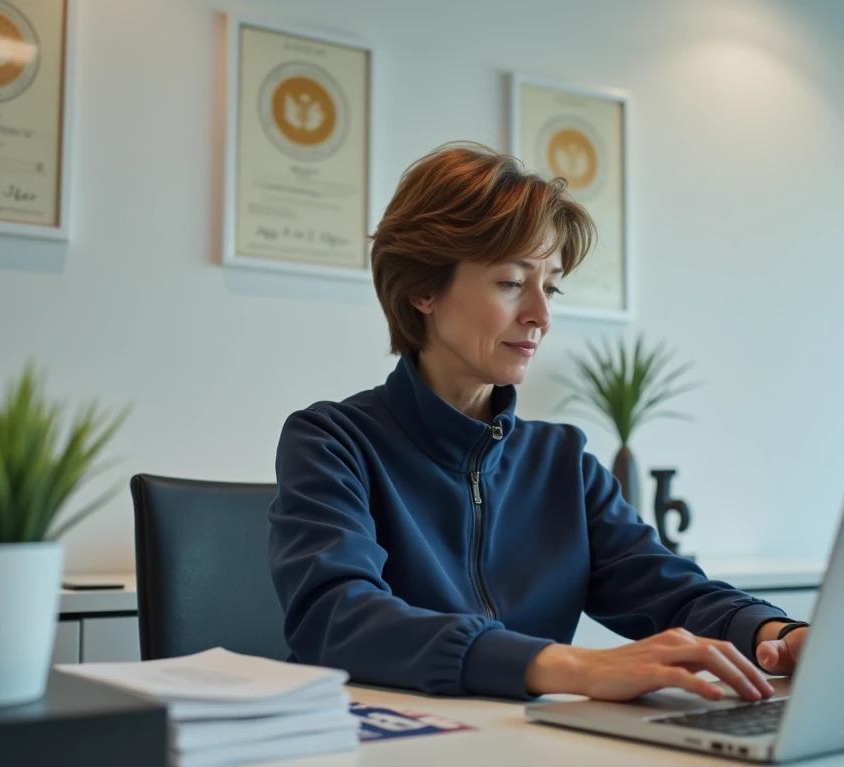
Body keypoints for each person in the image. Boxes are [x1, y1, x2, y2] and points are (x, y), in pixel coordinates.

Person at [268, 143, 809, 702]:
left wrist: (778, 635)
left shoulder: (563, 463)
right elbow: (337, 616)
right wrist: (573, 667)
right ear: (422, 289)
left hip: (519, 742)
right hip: (377, 743)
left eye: (550, 287)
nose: (541, 316)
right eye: (511, 282)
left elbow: (670, 590)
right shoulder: (332, 443)